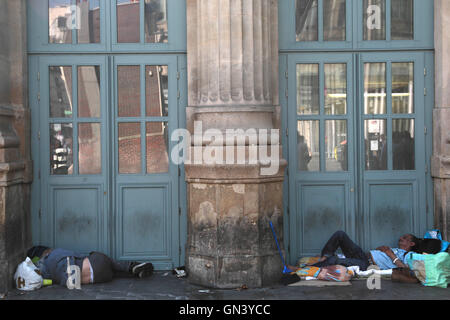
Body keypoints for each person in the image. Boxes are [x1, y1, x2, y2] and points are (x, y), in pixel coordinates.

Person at [26, 246, 154, 287]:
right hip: (98, 264)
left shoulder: (47, 274)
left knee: (113, 272)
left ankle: (132, 271)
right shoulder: (53, 254)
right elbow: (69, 259)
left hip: (98, 279)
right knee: (102, 259)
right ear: (46, 252)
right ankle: (131, 267)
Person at [308, 230, 419, 272]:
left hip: (366, 264)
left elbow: (405, 269)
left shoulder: (409, 254)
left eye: (405, 238)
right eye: (402, 237)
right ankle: (324, 257)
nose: (401, 238)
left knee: (334, 260)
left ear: (412, 244)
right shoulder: (396, 249)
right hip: (362, 255)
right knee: (340, 235)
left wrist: (390, 254)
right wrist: (379, 249)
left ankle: (308, 268)